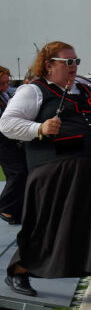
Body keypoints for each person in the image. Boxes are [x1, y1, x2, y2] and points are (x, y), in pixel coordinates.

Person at [1, 42, 91, 299]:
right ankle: (18, 270)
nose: (74, 67)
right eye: (68, 62)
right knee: (48, 226)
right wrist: (39, 128)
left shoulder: (87, 91)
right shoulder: (34, 91)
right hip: (53, 173)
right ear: (49, 64)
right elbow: (7, 124)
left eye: (76, 61)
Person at [0, 66, 27, 226]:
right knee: (18, 173)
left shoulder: (6, 94)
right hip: (3, 142)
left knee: (16, 174)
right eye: (1, 83)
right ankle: (5, 205)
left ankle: (15, 210)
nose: (5, 86)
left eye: (6, 82)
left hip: (10, 140)